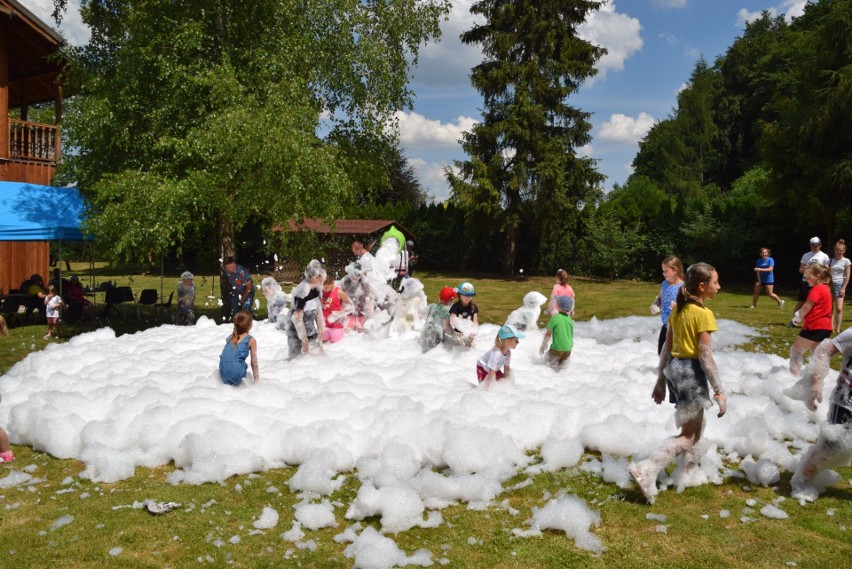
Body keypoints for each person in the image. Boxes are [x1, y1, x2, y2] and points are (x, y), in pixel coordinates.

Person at [629, 262, 726, 505]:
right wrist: (720, 392)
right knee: (689, 436)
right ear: (702, 287)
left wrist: (661, 379)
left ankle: (689, 471)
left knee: (697, 425)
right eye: (715, 282)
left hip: (675, 370)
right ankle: (648, 470)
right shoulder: (703, 314)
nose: (719, 287)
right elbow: (705, 356)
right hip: (690, 374)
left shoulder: (678, 310)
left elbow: (666, 348)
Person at [788, 327, 852, 502]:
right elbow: (824, 351)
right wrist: (815, 382)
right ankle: (801, 481)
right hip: (846, 403)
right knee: (830, 449)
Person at [789, 264, 833, 377]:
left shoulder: (816, 290)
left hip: (814, 327)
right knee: (817, 358)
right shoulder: (826, 288)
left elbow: (806, 307)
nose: (806, 279)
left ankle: (792, 378)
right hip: (826, 328)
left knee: (795, 351)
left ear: (817, 276)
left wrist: (797, 318)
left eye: (808, 277)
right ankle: (817, 387)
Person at [287, 259, 326, 357]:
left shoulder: (317, 289)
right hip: (296, 331)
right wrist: (304, 341)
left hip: (310, 330)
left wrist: (321, 331)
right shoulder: (303, 291)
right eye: (319, 275)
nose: (322, 277)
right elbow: (296, 318)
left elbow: (318, 310)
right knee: (297, 358)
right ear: (314, 277)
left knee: (320, 356)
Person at [791, 237, 830, 326]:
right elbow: (800, 269)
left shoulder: (824, 256)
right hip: (806, 281)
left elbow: (826, 270)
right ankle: (794, 321)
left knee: (814, 303)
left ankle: (811, 322)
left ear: (820, 245)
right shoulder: (806, 255)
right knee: (801, 302)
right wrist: (803, 269)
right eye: (812, 245)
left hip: (817, 283)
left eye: (816, 245)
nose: (814, 247)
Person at [650, 256, 685, 355]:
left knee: (676, 354)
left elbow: (690, 306)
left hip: (679, 326)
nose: (663, 273)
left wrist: (678, 306)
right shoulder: (664, 284)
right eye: (663, 271)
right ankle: (665, 370)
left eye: (666, 270)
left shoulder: (683, 286)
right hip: (666, 324)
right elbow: (660, 297)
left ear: (675, 270)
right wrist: (655, 304)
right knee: (661, 353)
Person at [218, 310, 259, 386]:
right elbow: (254, 363)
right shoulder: (251, 340)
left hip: (222, 373)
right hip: (237, 374)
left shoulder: (231, 337)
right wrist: (257, 380)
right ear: (250, 325)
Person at [540, 295, 574, 370]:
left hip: (557, 349)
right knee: (561, 369)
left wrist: (543, 345)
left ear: (558, 306)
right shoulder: (569, 320)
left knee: (549, 367)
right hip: (568, 349)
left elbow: (548, 333)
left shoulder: (555, 318)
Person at [340, 262, 375, 332]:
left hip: (361, 310)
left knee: (361, 330)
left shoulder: (364, 283)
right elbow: (340, 293)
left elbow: (370, 295)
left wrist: (369, 305)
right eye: (352, 274)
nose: (354, 277)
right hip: (349, 310)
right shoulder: (345, 282)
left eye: (357, 275)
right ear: (349, 273)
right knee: (348, 330)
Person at [419, 286, 455, 352]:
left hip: (424, 334)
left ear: (440, 298)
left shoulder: (432, 306)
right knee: (434, 352)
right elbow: (447, 328)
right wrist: (454, 334)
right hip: (435, 336)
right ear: (451, 300)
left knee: (425, 351)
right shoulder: (448, 311)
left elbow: (421, 314)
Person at [322, 273, 353, 344]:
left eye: (326, 287)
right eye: (323, 287)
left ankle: (344, 330)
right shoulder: (322, 291)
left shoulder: (339, 292)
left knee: (334, 342)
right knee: (323, 343)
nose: (325, 290)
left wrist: (340, 313)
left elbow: (351, 306)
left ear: (332, 283)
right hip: (325, 325)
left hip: (336, 325)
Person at [828, 239, 850, 334]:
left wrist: (843, 288)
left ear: (844, 250)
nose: (839, 252)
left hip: (840, 285)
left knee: (839, 308)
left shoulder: (846, 261)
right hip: (830, 284)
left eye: (841, 250)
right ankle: (831, 328)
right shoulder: (830, 261)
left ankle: (838, 328)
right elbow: (826, 273)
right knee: (830, 308)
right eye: (837, 250)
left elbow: (847, 276)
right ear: (835, 250)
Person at [449, 281, 479, 347]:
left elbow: (475, 321)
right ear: (459, 295)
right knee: (459, 350)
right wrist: (463, 328)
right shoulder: (455, 306)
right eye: (465, 295)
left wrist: (474, 330)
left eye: (470, 295)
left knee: (470, 349)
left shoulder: (474, 307)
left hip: (470, 334)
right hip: (458, 334)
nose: (468, 297)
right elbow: (452, 319)